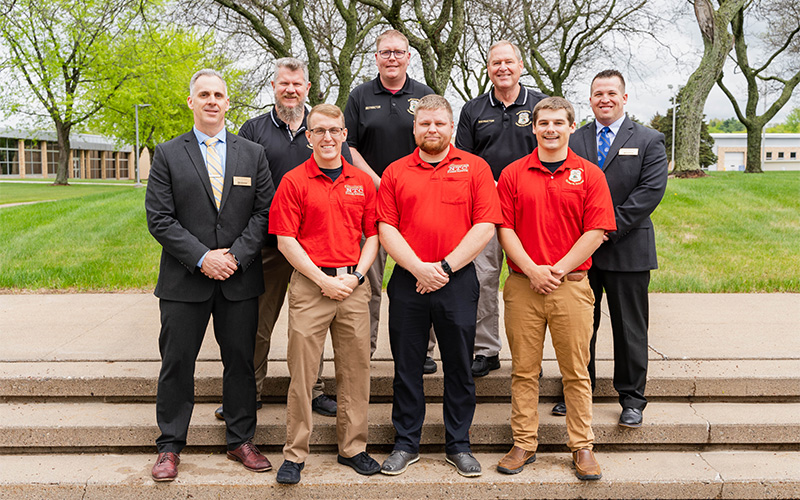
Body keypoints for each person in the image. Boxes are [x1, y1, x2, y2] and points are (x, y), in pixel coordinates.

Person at [146, 69, 274, 481]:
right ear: (191, 102)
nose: (212, 101)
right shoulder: (167, 153)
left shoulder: (252, 153)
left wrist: (233, 257)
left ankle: (241, 440)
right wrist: (203, 258)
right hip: (185, 281)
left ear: (228, 102)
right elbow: (160, 219)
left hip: (239, 279)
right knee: (177, 362)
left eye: (219, 94)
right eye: (204, 94)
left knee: (240, 361)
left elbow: (264, 212)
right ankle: (169, 446)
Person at [213, 57, 347, 422]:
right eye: (283, 83)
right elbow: (239, 189)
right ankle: (248, 392)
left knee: (311, 325)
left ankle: (315, 390)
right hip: (268, 245)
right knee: (257, 322)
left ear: (307, 88)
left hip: (315, 247)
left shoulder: (323, 130)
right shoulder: (253, 130)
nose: (290, 90)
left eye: (297, 84)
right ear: (274, 86)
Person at [377, 95, 501, 478]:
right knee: (408, 366)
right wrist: (418, 268)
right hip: (408, 280)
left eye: (439, 124)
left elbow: (485, 225)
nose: (432, 129)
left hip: (458, 279)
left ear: (451, 127)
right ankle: (406, 443)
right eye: (425, 124)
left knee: (460, 367)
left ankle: (458, 444)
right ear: (414, 128)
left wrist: (444, 268)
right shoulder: (395, 172)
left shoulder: (475, 168)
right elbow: (386, 227)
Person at [496, 96, 616, 480]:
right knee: (524, 371)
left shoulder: (590, 174)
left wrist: (557, 271)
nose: (550, 129)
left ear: (570, 127)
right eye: (543, 123)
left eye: (558, 123)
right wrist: (532, 270)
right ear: (533, 127)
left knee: (576, 372)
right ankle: (524, 443)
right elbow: (504, 228)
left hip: (571, 286)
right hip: (522, 287)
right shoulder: (514, 174)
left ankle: (582, 446)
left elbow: (596, 231)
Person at [269, 104, 380, 484]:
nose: (328, 137)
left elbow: (374, 236)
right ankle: (295, 454)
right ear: (308, 137)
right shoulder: (293, 181)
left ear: (345, 135)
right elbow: (286, 241)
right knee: (302, 373)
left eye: (335, 130)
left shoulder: (362, 182)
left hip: (352, 286)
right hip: (310, 285)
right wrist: (322, 280)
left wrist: (357, 276)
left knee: (355, 371)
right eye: (320, 131)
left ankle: (353, 448)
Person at [551, 70, 668, 428]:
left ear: (624, 98)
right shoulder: (575, 138)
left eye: (611, 93)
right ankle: (576, 389)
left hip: (627, 248)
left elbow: (648, 194)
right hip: (579, 251)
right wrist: (585, 236)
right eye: (598, 93)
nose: (605, 99)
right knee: (578, 326)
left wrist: (604, 229)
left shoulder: (649, 140)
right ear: (589, 100)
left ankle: (632, 398)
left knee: (629, 327)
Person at [453, 40, 547, 377]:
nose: (502, 68)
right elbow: (462, 160)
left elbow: (551, 151)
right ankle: (486, 350)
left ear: (521, 65)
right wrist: (490, 188)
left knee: (532, 276)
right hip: (486, 211)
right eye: (496, 63)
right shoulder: (473, 110)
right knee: (484, 278)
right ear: (489, 69)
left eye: (508, 62)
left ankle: (532, 353)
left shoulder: (539, 105)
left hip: (532, 209)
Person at [344, 29, 435, 367]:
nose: (392, 58)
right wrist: (379, 180)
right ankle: (361, 351)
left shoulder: (425, 95)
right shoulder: (359, 95)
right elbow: (348, 146)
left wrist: (406, 182)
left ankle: (421, 351)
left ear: (409, 56)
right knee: (367, 280)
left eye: (398, 52)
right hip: (372, 199)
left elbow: (434, 141)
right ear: (377, 57)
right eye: (386, 52)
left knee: (419, 274)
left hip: (417, 199)